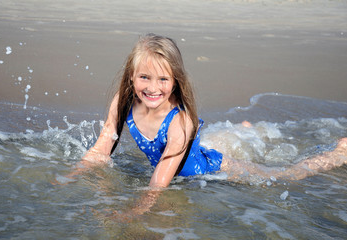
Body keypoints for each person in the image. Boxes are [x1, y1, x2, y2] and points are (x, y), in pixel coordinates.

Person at [69, 33, 347, 219]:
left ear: (176, 80)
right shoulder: (125, 99)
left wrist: (135, 213)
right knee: (213, 143)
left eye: (163, 80)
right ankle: (247, 130)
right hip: (197, 151)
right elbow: (104, 142)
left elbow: (157, 185)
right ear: (131, 76)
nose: (153, 89)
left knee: (284, 175)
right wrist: (72, 176)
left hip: (210, 168)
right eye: (144, 77)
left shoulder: (179, 122)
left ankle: (338, 153)